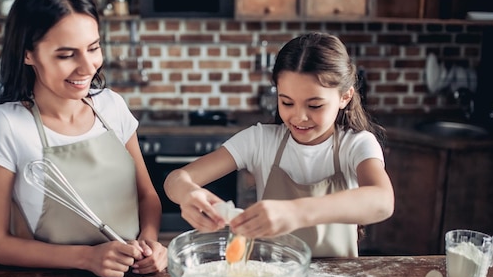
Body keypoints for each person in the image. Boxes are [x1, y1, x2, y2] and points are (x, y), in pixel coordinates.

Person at [0, 0, 167, 277]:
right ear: (28, 54)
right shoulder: (4, 126)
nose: (88, 67)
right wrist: (87, 258)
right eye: (66, 55)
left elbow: (146, 197)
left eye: (93, 48)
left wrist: (150, 243)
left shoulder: (112, 107)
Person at [164, 32, 395, 257]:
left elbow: (383, 201)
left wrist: (296, 212)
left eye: (314, 106)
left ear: (345, 97)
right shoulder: (260, 141)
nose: (298, 117)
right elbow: (175, 179)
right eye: (286, 102)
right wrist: (188, 194)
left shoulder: (356, 145)